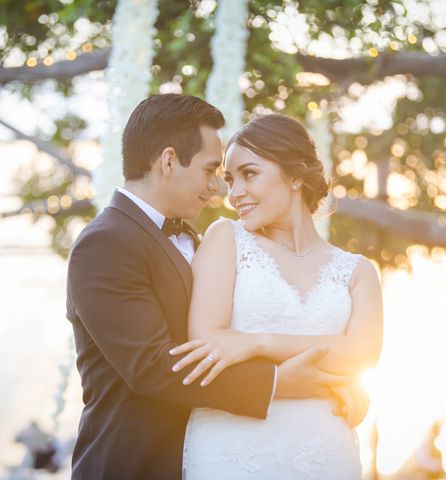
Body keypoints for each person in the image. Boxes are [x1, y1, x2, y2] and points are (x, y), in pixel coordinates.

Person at [66, 95, 359, 479]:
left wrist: (334, 388)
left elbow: (240, 330)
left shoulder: (200, 241)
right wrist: (279, 384)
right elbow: (151, 366)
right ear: (169, 161)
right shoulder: (105, 243)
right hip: (135, 464)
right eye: (210, 171)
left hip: (212, 454)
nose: (216, 189)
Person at [171, 114, 384, 479]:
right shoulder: (226, 239)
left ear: (296, 175)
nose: (234, 192)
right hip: (232, 451)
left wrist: (256, 342)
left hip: (326, 452)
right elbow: (207, 341)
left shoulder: (358, 272)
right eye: (229, 179)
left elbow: (361, 354)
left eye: (249, 174)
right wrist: (325, 357)